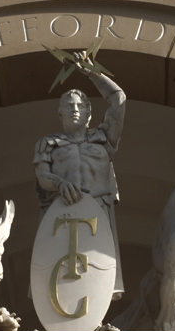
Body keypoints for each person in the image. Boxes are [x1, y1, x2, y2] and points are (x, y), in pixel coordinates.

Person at [34, 52, 126, 299]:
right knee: (60, 271)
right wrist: (60, 183)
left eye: (80, 106)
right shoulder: (49, 143)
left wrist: (89, 71)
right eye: (68, 106)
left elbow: (118, 98)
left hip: (99, 212)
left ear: (89, 113)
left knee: (97, 270)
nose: (74, 109)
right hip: (62, 213)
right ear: (59, 114)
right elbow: (43, 176)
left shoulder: (104, 139)